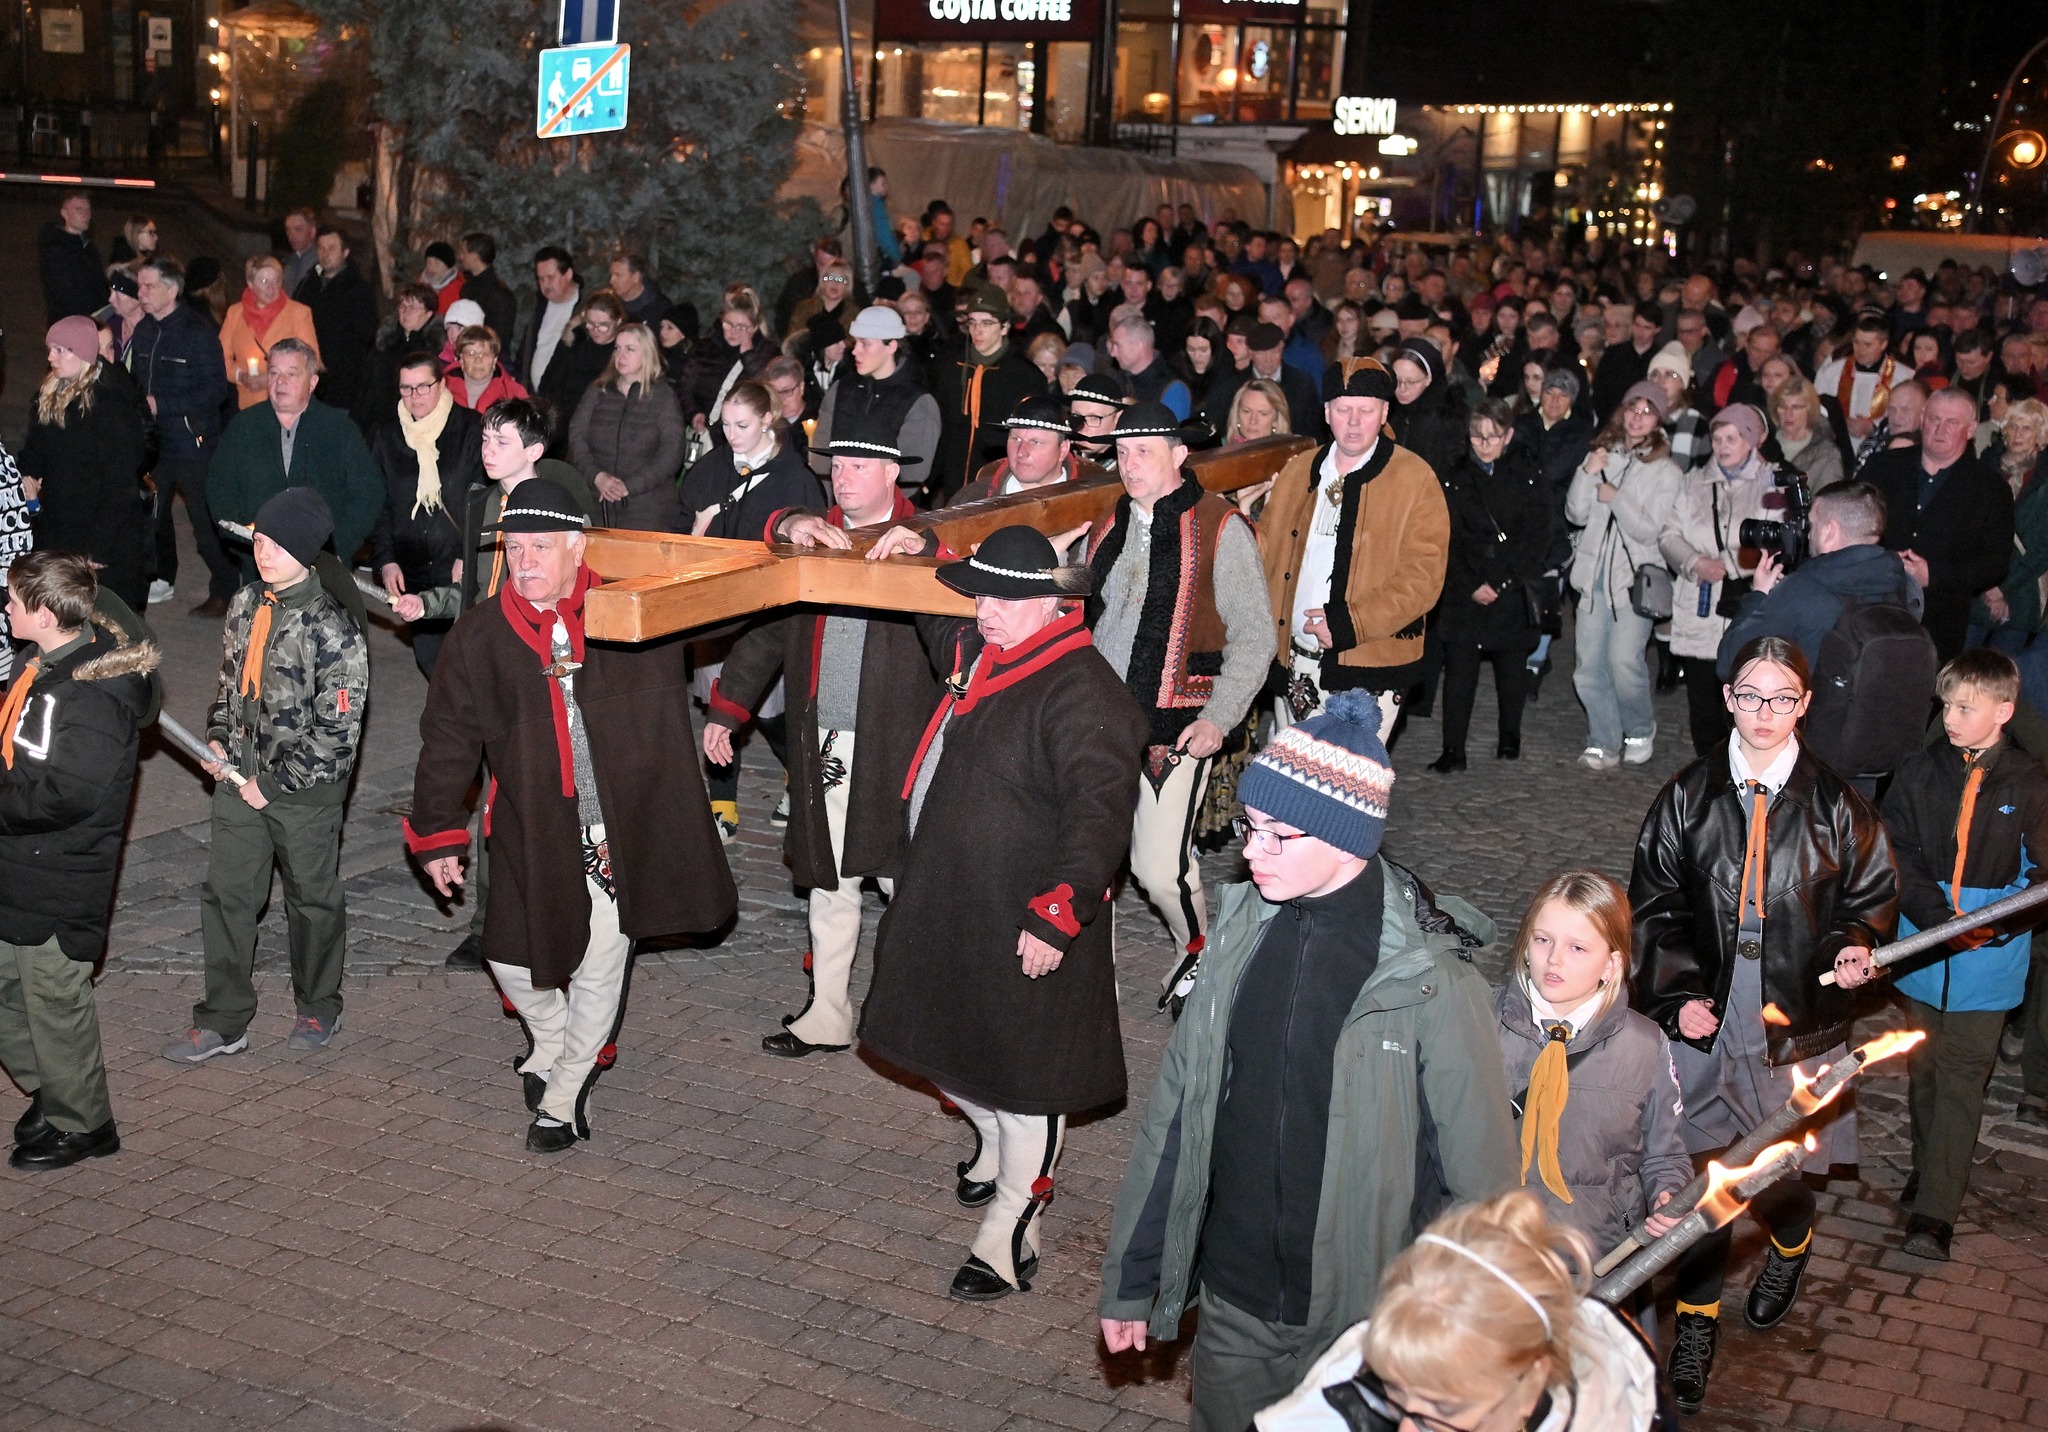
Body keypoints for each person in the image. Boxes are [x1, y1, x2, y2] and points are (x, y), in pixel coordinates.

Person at [1098, 691, 1516, 1431]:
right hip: (1235, 1306)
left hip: (1369, 1327)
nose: (1250, 851)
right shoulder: (1233, 941)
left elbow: (1479, 1189)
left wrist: (1456, 1339)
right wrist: (1135, 1278)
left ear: (1347, 840)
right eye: (1249, 828)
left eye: (1278, 835)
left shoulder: (1434, 983)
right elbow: (1178, 1116)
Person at [859, 526, 1146, 1299]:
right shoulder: (992, 649)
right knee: (950, 1049)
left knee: (1027, 1079)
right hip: (953, 897)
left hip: (1027, 915)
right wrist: (924, 541)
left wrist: (1058, 913)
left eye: (1005, 597)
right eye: (981, 594)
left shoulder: (1084, 691)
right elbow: (932, 620)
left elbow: (1100, 815)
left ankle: (1011, 1229)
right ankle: (992, 1148)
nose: (985, 609)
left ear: (1055, 605)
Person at [405, 480, 736, 1150]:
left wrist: (787, 535)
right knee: (510, 958)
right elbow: (447, 740)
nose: (524, 561)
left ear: (577, 549)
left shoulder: (631, 610)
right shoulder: (479, 637)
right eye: (515, 548)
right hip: (532, 824)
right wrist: (439, 833)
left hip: (622, 824)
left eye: (540, 548)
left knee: (601, 960)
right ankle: (555, 1037)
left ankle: (565, 1094)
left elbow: (726, 608)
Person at [1631, 635, 1897, 1414]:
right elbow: (1653, 903)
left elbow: (1870, 894)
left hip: (1792, 1006)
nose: (1765, 713)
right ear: (1727, 699)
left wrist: (1856, 944)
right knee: (1706, 1166)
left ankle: (1791, 1237)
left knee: (1775, 1163)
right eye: (1750, 695)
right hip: (1708, 1002)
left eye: (1782, 698)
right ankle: (1698, 1322)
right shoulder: (1687, 795)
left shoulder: (1837, 804)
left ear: (1806, 705)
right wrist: (1677, 988)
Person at [700, 410, 945, 1057]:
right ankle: (828, 1015)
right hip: (825, 738)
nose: (844, 477)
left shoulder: (924, 543)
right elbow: (770, 630)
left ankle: (930, 1018)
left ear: (893, 472)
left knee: (908, 884)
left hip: (899, 746)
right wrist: (728, 709)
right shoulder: (816, 537)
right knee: (830, 881)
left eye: (859, 466)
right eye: (837, 466)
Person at [163, 489, 370, 1065]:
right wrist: (218, 738)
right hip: (239, 779)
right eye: (257, 540)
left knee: (311, 899)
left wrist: (273, 783)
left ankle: (318, 1004)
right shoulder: (246, 602)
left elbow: (338, 731)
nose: (263, 552)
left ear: (305, 548)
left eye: (276, 543)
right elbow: (230, 685)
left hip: (304, 792)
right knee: (228, 895)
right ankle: (224, 1019)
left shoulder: (333, 627)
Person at [1087, 403, 1275, 1011]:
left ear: (1179, 454)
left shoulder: (1222, 527)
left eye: (1144, 451)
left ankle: (1199, 950)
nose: (1130, 464)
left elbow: (1256, 637)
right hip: (1101, 721)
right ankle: (1087, 981)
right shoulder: (1108, 523)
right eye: (1122, 451)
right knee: (1090, 853)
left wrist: (1219, 718)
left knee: (1160, 869)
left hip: (1178, 726)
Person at [1882, 649, 2048, 1262]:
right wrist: (1933, 918)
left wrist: (1987, 925)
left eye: (1963, 707)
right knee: (1925, 1072)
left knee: (1960, 1080)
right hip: (1925, 957)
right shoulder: (1922, 771)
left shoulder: (2031, 783)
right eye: (1945, 704)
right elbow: (1897, 848)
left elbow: (2042, 877)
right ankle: (1932, 1169)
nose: (1948, 717)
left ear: (2003, 711)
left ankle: (1935, 1214)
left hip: (1989, 963)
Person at [0, 554, 159, 1169]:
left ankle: (85, 1123)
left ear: (45, 614)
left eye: (14, 600)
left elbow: (67, 794)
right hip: (20, 864)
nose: (6, 607)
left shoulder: (94, 698)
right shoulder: (39, 663)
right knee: (10, 992)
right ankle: (56, 1089)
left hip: (60, 876)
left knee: (54, 1002)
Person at [1488, 870, 1689, 1261]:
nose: (1554, 958)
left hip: (1595, 1258)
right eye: (1543, 939)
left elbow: (1665, 1154)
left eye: (1578, 948)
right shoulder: (1478, 1023)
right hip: (1491, 1257)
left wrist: (1670, 1194)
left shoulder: (1645, 1045)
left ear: (1611, 964)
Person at [1259, 362, 1448, 743]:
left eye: (1366, 409)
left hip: (1370, 662)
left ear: (1384, 414)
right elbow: (1265, 552)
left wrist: (1349, 623)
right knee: (1291, 787)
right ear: (1327, 412)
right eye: (1344, 409)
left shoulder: (1415, 478)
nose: (1354, 421)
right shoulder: (1298, 471)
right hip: (1294, 660)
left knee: (1346, 789)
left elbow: (1423, 579)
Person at [675, 380, 819, 836]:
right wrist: (693, 536)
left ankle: (798, 771)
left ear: (767, 421)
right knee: (719, 700)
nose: (732, 435)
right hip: (715, 603)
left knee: (769, 710)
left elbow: (807, 539)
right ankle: (723, 803)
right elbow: (681, 520)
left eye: (742, 425)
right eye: (725, 425)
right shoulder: (712, 466)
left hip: (767, 610)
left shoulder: (792, 474)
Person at [1565, 380, 1680, 771]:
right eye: (1633, 407)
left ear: (1659, 420)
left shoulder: (1666, 470)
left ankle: (1639, 727)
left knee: (1624, 663)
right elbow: (1576, 514)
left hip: (1634, 583)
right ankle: (1603, 740)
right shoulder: (1603, 454)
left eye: (1648, 411)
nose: (1637, 417)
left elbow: (1650, 530)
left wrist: (1618, 497)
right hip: (1593, 577)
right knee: (1587, 668)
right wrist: (1587, 471)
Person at [1428, 400, 1548, 772]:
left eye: (1493, 436)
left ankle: (1509, 735)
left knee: (1511, 671)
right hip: (1465, 586)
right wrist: (1469, 584)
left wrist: (1502, 580)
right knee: (1459, 673)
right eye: (1477, 436)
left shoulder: (1528, 475)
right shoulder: (1454, 475)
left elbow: (1537, 537)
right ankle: (1453, 749)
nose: (1484, 444)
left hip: (1509, 587)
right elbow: (1443, 537)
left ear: (1508, 436)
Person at [207, 339, 385, 574]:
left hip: (322, 566)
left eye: (292, 374)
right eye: (274, 373)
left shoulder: (338, 428)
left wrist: (339, 547)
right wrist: (248, 542)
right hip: (261, 564)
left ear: (312, 382)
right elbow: (220, 488)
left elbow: (369, 492)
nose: (281, 382)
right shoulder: (244, 426)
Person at [1865, 387, 2015, 660]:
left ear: (1970, 430)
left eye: (1952, 422)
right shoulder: (1882, 467)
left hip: (1940, 622)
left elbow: (1995, 563)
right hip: (1872, 605)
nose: (1940, 428)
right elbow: (1851, 522)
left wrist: (1933, 575)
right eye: (1934, 419)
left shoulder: (1990, 488)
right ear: (1922, 420)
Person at [1717, 481, 1922, 676]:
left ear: (1829, 531)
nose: (1807, 534)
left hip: (1814, 711)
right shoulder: (1904, 584)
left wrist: (1759, 594)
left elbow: (1731, 662)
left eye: (1812, 524)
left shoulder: (1804, 589)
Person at [1664, 403, 1776, 757]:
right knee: (1703, 697)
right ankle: (1708, 774)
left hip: (1748, 601)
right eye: (1717, 438)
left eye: (1732, 438)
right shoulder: (1693, 482)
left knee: (1748, 692)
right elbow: (1668, 535)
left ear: (1751, 440)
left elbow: (1777, 541)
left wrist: (1731, 563)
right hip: (1700, 599)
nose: (1723, 446)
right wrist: (1695, 561)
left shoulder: (1773, 482)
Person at [18, 318, 151, 613]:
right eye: (50, 349)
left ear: (84, 354)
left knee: (99, 625)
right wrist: (27, 473)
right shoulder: (49, 395)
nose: (51, 357)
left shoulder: (111, 405)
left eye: (60, 350)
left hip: (100, 534)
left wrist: (98, 547)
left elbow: (120, 485)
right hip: (60, 526)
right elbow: (35, 447)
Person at [130, 258, 238, 615]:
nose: (141, 293)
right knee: (147, 517)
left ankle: (225, 588)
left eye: (149, 286)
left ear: (172, 290)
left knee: (205, 526)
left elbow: (216, 391)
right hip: (154, 445)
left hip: (193, 444)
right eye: (140, 286)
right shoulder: (144, 330)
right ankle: (141, 586)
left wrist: (163, 404)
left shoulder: (197, 331)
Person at [369, 354, 485, 677]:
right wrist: (386, 559)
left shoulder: (470, 428)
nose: (414, 397)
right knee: (431, 659)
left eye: (423, 386)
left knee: (471, 654)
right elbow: (380, 504)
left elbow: (484, 497)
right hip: (414, 567)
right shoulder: (388, 436)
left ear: (442, 384)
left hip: (459, 565)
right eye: (406, 389)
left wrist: (469, 554)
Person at [566, 322, 685, 532]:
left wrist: (629, 486)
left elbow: (671, 453)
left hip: (647, 509)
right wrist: (597, 476)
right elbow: (577, 437)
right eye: (617, 348)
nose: (621, 355)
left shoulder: (663, 396)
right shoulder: (597, 390)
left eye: (630, 349)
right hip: (597, 503)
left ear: (647, 353)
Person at [931, 292, 1047, 502]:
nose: (977, 330)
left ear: (1005, 327)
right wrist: (932, 478)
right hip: (953, 480)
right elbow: (943, 426)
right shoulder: (951, 366)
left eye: (987, 323)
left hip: (997, 481)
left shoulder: (1024, 376)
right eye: (972, 322)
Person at [809, 305, 941, 480]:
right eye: (856, 342)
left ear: (891, 346)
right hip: (837, 503)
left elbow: (912, 474)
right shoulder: (841, 390)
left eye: (865, 344)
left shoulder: (917, 402)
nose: (855, 351)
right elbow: (822, 460)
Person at [951, 395, 1105, 510]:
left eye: (1035, 442)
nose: (1021, 452)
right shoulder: (970, 500)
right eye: (1016, 439)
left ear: (1063, 449)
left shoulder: (1090, 506)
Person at [294, 227, 378, 422]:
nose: (325, 253)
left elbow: (361, 336)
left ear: (345, 252)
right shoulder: (309, 283)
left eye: (331, 248)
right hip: (305, 376)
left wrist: (328, 363)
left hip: (340, 383)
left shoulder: (358, 290)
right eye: (321, 248)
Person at [220, 255, 321, 412]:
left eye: (277, 281)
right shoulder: (235, 313)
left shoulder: (299, 313)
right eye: (265, 282)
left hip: (288, 404)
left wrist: (273, 378)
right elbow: (220, 357)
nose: (272, 288)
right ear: (250, 283)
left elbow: (312, 360)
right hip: (249, 405)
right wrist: (241, 376)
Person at [359, 283, 447, 429]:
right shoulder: (385, 343)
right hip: (377, 421)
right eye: (402, 306)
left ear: (428, 313)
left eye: (413, 307)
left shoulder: (433, 350)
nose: (405, 312)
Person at [538, 291, 625, 436]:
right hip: (559, 425)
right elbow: (549, 378)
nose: (596, 330)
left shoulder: (621, 354)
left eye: (603, 325)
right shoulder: (574, 340)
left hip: (594, 430)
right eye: (590, 324)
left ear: (618, 321)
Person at [1816, 312, 1902, 446]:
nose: (1860, 350)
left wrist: (1874, 426)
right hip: (1836, 446)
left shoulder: (1903, 377)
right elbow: (1818, 407)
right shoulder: (1831, 372)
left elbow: (1906, 415)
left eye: (1868, 345)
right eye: (1857, 342)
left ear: (1884, 344)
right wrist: (1839, 421)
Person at [514, 246, 580, 389]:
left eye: (550, 278)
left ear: (568, 274)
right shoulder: (537, 307)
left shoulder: (584, 309)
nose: (545, 285)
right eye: (540, 279)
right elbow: (524, 353)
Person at [1764, 376, 1844, 493]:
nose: (1788, 413)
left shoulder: (1826, 453)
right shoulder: (1763, 443)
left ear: (1809, 409)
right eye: (1783, 407)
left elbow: (1829, 500)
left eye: (1796, 407)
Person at [1245, 323, 1323, 440]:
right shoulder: (1236, 385)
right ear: (1250, 353)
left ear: (1282, 348)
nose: (1268, 359)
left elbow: (1315, 431)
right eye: (1261, 353)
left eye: (1273, 352)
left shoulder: (1302, 383)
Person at [38, 191, 106, 323]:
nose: (86, 215)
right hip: (70, 323)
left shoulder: (88, 246)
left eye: (88, 209)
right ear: (64, 214)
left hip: (90, 320)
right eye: (79, 210)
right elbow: (66, 294)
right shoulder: (56, 249)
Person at [456, 233, 518, 350]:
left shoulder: (500, 294)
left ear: (475, 255)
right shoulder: (468, 287)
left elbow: (500, 338)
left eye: (464, 252)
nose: (460, 257)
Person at [447, 327, 529, 412]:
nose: (478, 360)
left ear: (494, 360)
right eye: (471, 353)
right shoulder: (441, 388)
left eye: (485, 354)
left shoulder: (515, 394)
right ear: (461, 360)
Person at [607, 252, 670, 327]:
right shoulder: (608, 304)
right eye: (612, 275)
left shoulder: (660, 308)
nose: (611, 280)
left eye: (618, 275)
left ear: (635, 277)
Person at [278, 207, 320, 296]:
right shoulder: (291, 260)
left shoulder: (321, 262)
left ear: (312, 231)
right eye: (288, 230)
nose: (291, 236)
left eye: (298, 229)